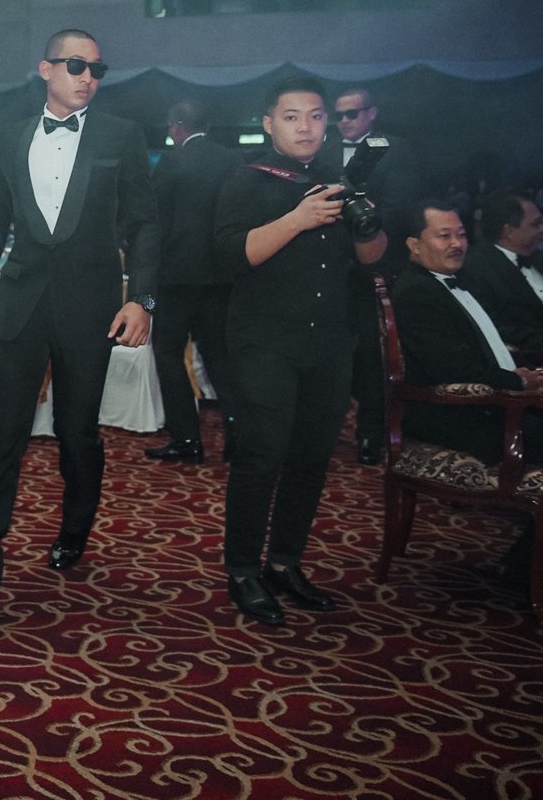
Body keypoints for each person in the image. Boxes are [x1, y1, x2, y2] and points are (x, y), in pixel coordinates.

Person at [0, 28, 158, 640]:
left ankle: (75, 526)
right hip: (23, 305)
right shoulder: (9, 136)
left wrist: (142, 299)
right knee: (0, 437)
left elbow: (145, 225)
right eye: (76, 65)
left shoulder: (121, 136)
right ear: (45, 69)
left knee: (76, 432)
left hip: (92, 308)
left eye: (97, 69)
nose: (88, 77)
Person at [214, 78, 387, 626]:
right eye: (292, 117)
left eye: (315, 116)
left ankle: (285, 562)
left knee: (312, 458)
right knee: (262, 454)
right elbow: (233, 256)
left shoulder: (341, 181)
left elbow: (373, 259)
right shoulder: (246, 179)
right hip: (263, 340)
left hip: (329, 341)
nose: (306, 127)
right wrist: (298, 219)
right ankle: (243, 569)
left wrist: (365, 218)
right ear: (269, 124)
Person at [393, 200, 543, 617]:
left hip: (490, 404)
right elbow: (452, 369)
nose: (457, 243)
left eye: (461, 234)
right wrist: (518, 382)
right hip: (458, 416)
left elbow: (479, 355)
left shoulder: (451, 282)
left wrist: (521, 374)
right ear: (414, 244)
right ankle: (540, 578)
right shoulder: (417, 293)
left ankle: (528, 563)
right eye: (444, 236)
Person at [331, 87, 424, 465]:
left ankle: (370, 433)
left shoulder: (394, 148)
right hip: (330, 268)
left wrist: (369, 214)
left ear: (372, 113)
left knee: (372, 353)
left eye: (352, 114)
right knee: (332, 353)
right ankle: (324, 430)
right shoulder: (323, 149)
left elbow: (402, 206)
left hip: (377, 266)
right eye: (338, 115)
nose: (344, 121)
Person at [144, 100, 240, 464]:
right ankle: (237, 433)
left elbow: (156, 222)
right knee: (219, 356)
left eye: (171, 127)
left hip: (176, 278)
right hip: (221, 278)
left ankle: (186, 438)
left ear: (178, 126)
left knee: (168, 354)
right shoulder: (232, 161)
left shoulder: (172, 162)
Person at [463, 190, 543, 370]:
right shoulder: (476, 268)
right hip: (533, 364)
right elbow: (496, 327)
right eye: (536, 224)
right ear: (509, 231)